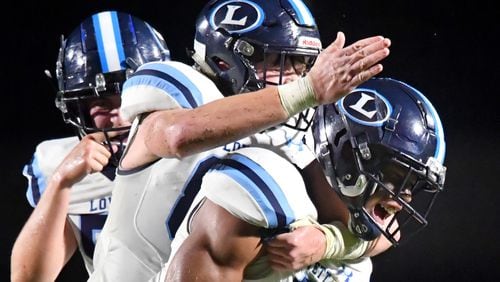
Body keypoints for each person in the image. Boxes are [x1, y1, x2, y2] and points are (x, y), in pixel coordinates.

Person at [88, 0, 391, 281]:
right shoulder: (180, 98)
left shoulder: (288, 136)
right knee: (259, 176)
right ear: (225, 61)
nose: (295, 79)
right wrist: (307, 91)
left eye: (303, 68)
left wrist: (329, 243)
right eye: (281, 62)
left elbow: (378, 230)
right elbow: (177, 136)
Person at [164, 77, 448, 281]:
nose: (403, 199)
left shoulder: (350, 237)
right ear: (347, 158)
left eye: (411, 186)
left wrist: (328, 242)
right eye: (396, 178)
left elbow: (389, 233)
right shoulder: (264, 193)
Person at [10, 11, 170, 281]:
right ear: (77, 111)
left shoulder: (199, 149)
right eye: (101, 105)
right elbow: (29, 278)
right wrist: (60, 182)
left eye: (131, 97)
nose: (121, 116)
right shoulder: (58, 163)